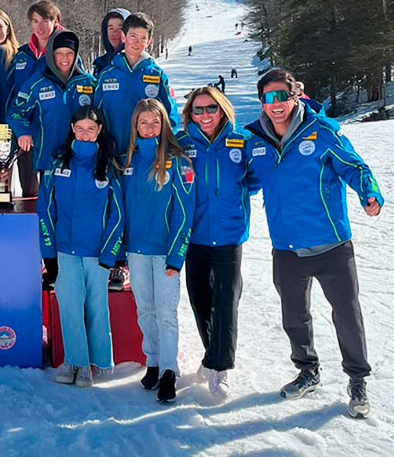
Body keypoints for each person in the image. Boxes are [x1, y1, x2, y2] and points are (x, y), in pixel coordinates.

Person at [245, 68, 383, 419]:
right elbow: (242, 179)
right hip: (286, 247)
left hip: (331, 244)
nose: (275, 105)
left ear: (295, 96)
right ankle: (308, 370)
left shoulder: (321, 131)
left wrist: (370, 193)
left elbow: (355, 167)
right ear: (261, 100)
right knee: (295, 316)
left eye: (281, 96)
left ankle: (357, 380)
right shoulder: (254, 140)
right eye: (268, 98)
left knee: (347, 315)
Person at [38, 106, 124, 388]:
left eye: (91, 128)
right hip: (65, 250)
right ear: (72, 129)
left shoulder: (109, 165)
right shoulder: (58, 161)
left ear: (99, 130)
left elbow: (117, 214)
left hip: (97, 252)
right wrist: (49, 254)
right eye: (80, 128)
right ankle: (75, 361)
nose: (85, 133)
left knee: (97, 308)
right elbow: (45, 209)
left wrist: (109, 254)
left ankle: (96, 362)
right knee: (70, 306)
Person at [177, 86, 253, 398]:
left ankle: (220, 368)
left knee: (226, 300)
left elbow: (257, 176)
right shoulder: (182, 143)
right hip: (194, 234)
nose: (205, 115)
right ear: (190, 114)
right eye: (199, 110)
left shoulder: (241, 141)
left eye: (211, 108)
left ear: (222, 110)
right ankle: (212, 357)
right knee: (200, 299)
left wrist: (236, 201)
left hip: (229, 233)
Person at [7, 30, 96, 287]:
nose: (64, 59)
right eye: (59, 54)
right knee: (49, 215)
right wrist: (23, 132)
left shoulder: (88, 83)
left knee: (77, 213)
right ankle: (53, 268)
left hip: (82, 163)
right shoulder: (38, 83)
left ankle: (79, 265)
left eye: (70, 54)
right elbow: (15, 110)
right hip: (48, 162)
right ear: (50, 55)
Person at [122, 99, 195, 403]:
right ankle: (152, 361)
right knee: (145, 309)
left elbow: (184, 212)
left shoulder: (178, 161)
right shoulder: (127, 161)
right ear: (135, 126)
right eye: (143, 122)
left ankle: (168, 370)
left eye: (155, 122)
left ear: (164, 124)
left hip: (165, 252)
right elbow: (120, 209)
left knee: (166, 312)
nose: (149, 127)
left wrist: (176, 256)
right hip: (136, 251)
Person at [94, 12, 178, 156]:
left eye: (143, 38)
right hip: (113, 153)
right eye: (133, 36)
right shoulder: (107, 75)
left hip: (146, 154)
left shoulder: (156, 75)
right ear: (123, 36)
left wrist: (163, 145)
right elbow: (95, 114)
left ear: (149, 41)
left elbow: (170, 114)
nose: (137, 42)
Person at [6, 0, 63, 197]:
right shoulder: (22, 55)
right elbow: (13, 95)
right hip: (27, 136)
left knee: (55, 194)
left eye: (45, 20)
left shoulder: (65, 54)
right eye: (34, 21)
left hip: (56, 135)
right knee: (29, 194)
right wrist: (19, 128)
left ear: (56, 21)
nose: (40, 26)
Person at [92, 8, 130, 77]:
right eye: (111, 28)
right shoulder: (101, 64)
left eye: (120, 28)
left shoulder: (136, 62)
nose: (114, 32)